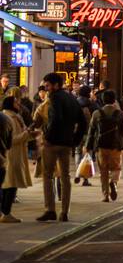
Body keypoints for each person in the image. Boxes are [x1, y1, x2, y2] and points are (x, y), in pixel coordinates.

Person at [36, 72, 86, 222]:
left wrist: (48, 137)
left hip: (52, 143)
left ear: (56, 85)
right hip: (66, 144)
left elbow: (55, 119)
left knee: (47, 176)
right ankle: (64, 212)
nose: (46, 88)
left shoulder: (54, 98)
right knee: (65, 177)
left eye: (48, 85)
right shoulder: (72, 98)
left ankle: (50, 209)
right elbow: (83, 122)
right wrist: (75, 140)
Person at [85, 90, 123, 202]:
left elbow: (91, 131)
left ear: (103, 100)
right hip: (115, 146)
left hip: (101, 146)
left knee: (103, 171)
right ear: (114, 100)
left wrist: (88, 146)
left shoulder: (97, 113)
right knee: (116, 168)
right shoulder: (119, 114)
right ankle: (113, 182)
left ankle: (105, 195)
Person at [1, 94, 32, 221]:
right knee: (10, 184)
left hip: (17, 154)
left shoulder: (15, 117)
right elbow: (12, 140)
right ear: (10, 104)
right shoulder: (9, 118)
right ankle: (6, 213)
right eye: (16, 102)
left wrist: (30, 135)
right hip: (11, 155)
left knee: (11, 183)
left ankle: (5, 212)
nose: (18, 104)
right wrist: (26, 134)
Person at [75, 85, 96, 186]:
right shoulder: (91, 104)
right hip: (88, 133)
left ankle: (78, 173)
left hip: (77, 132)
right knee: (87, 155)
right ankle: (85, 179)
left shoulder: (75, 103)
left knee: (77, 152)